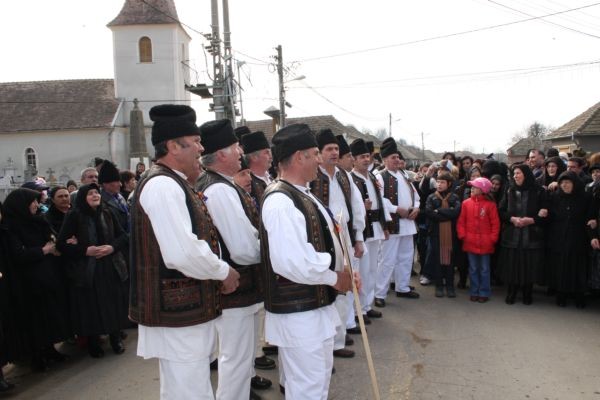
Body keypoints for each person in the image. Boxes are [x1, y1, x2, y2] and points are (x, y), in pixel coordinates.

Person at [128, 104, 239, 399]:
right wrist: (223, 271)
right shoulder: (162, 185)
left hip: (184, 315)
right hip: (177, 314)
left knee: (187, 389)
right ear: (174, 146)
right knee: (190, 391)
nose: (202, 149)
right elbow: (182, 253)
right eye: (196, 142)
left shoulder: (174, 182)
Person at [260, 123, 354, 399]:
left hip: (314, 307)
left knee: (317, 383)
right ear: (299, 157)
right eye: (314, 154)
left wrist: (344, 270)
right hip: (299, 313)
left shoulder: (303, 193)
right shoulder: (280, 201)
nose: (319, 160)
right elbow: (292, 261)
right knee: (307, 388)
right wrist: (335, 278)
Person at [197, 119, 267, 400]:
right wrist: (273, 253)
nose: (241, 152)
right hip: (236, 289)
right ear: (221, 154)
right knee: (236, 358)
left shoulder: (221, 184)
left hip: (241, 289)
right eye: (236, 147)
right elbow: (242, 248)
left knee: (240, 356)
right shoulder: (219, 189)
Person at [310, 128, 365, 359]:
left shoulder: (344, 175)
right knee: (326, 290)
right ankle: (325, 344)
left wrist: (358, 237)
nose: (334, 153)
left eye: (336, 149)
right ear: (319, 153)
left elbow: (357, 207)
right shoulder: (312, 176)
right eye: (329, 149)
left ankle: (338, 341)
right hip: (321, 242)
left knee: (344, 289)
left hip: (344, 239)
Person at [3, 188, 70, 371]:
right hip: (27, 282)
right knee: (34, 321)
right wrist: (43, 250)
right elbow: (18, 254)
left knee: (48, 316)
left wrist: (58, 245)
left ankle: (50, 349)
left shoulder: (38, 221)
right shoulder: (11, 227)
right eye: (32, 201)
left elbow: (52, 238)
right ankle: (36, 356)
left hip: (46, 276)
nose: (36, 205)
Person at [376, 137, 420, 303]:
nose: (397, 160)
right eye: (393, 157)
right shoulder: (380, 177)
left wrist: (416, 207)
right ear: (384, 159)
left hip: (408, 223)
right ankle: (380, 294)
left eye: (398, 157)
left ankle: (402, 287)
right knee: (387, 260)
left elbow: (415, 195)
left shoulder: (404, 174)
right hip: (392, 224)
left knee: (406, 258)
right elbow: (379, 200)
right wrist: (396, 209)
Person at [349, 139, 389, 319]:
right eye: (362, 157)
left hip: (375, 227)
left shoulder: (372, 177)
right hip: (362, 230)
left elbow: (381, 202)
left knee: (373, 269)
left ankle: (366, 305)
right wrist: (361, 208)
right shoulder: (350, 179)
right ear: (354, 160)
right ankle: (358, 310)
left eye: (367, 156)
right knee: (362, 271)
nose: (366, 159)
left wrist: (385, 225)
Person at [497, 165, 546, 305]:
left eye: (518, 173)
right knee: (512, 266)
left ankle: (527, 293)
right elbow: (501, 211)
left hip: (531, 235)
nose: (515, 176)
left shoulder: (539, 191)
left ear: (526, 174)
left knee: (529, 266)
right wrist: (512, 219)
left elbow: (546, 213)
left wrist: (532, 220)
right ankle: (511, 292)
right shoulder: (509, 190)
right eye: (514, 174)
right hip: (512, 235)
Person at [545, 171, 593, 308]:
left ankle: (579, 295)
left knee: (578, 268)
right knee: (561, 267)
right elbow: (550, 217)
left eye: (567, 182)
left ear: (575, 183)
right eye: (562, 183)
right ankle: (561, 294)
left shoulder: (585, 197)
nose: (564, 185)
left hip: (579, 237)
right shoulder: (555, 196)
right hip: (559, 237)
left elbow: (590, 215)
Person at [456, 177, 500, 303]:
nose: (472, 189)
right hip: (470, 241)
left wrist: (492, 238)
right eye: (472, 187)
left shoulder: (490, 205)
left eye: (475, 187)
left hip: (486, 243)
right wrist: (462, 235)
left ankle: (484, 292)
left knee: (485, 269)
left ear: (482, 190)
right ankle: (474, 291)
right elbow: (461, 221)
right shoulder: (466, 203)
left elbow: (495, 223)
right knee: (473, 268)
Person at [425, 172, 461, 298]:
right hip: (435, 233)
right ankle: (439, 285)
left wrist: (439, 211)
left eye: (442, 182)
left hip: (451, 234)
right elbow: (429, 213)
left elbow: (456, 212)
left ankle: (450, 286)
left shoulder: (454, 197)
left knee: (450, 260)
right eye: (438, 182)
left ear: (449, 184)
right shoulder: (431, 197)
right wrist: (447, 214)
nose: (439, 184)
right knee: (437, 260)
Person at [241, 130, 273, 206]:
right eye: (266, 152)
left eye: (270, 152)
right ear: (254, 157)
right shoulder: (248, 183)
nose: (271, 156)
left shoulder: (271, 178)